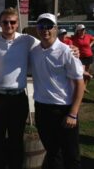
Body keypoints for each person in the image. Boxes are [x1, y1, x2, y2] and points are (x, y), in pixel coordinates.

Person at [30, 13, 84, 169]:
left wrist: (73, 113)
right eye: (41, 26)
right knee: (53, 152)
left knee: (71, 155)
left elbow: (79, 83)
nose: (45, 30)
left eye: (49, 26)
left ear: (56, 28)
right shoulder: (34, 51)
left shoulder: (68, 51)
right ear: (37, 29)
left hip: (64, 110)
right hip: (42, 108)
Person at [0, 7, 39, 169]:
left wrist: (72, 49)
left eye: (12, 22)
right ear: (0, 23)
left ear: (17, 24)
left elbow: (48, 46)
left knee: (16, 138)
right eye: (5, 22)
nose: (9, 25)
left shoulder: (27, 40)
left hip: (18, 98)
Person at [71, 24, 94, 93]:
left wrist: (90, 45)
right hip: (81, 58)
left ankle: (84, 87)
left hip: (89, 56)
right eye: (81, 30)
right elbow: (65, 38)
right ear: (77, 31)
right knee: (82, 73)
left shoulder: (88, 36)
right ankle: (89, 79)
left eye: (83, 30)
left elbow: (93, 39)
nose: (82, 31)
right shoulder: (74, 37)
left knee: (87, 73)